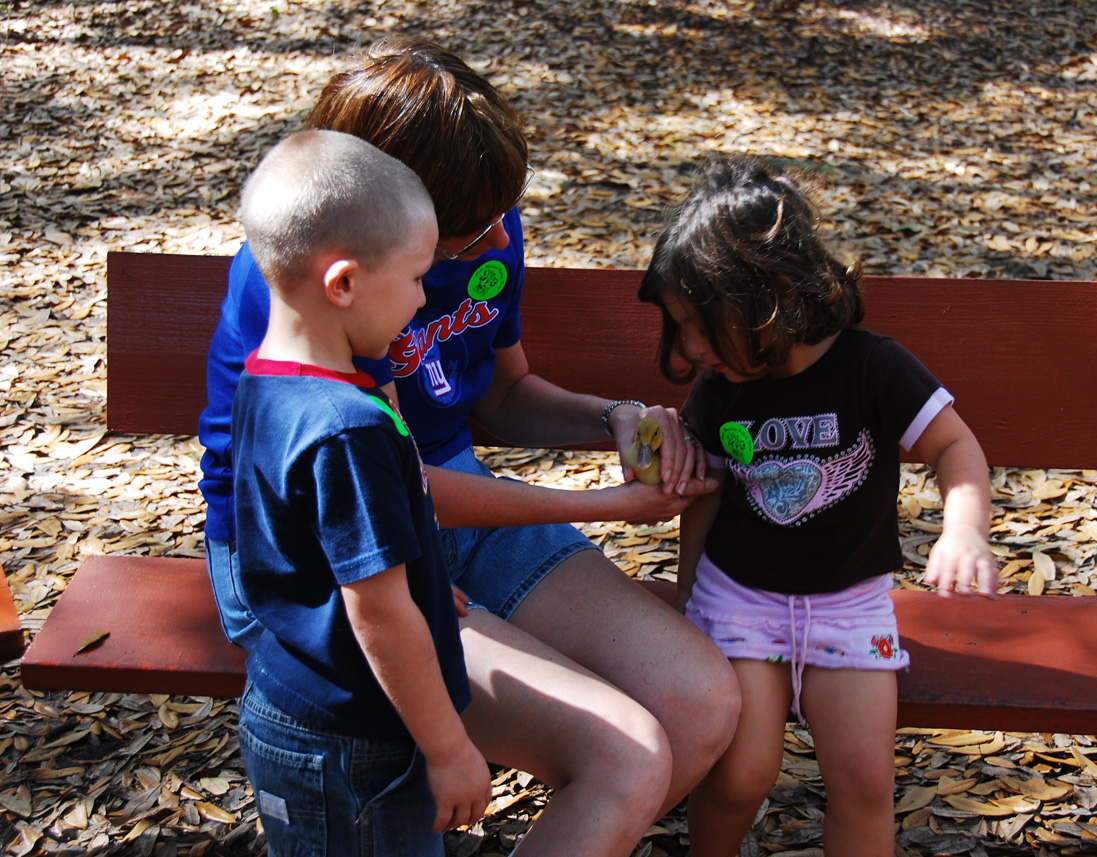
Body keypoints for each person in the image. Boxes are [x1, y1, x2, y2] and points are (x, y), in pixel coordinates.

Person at [197, 38, 740, 857]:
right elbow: (383, 492)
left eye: (499, 220)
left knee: (700, 704)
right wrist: (602, 506)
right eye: (466, 233)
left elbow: (502, 392)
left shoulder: (474, 232)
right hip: (331, 565)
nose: (494, 245)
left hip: (443, 502)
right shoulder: (304, 287)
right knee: (625, 755)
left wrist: (614, 415)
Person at [637, 157, 998, 857]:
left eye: (701, 325)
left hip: (850, 603)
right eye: (680, 326)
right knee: (742, 772)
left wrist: (963, 530)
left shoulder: (872, 366)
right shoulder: (724, 384)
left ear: (769, 296)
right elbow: (704, 499)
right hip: (739, 597)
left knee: (864, 778)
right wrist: (688, 593)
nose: (688, 347)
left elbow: (957, 447)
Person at [230, 129, 491, 855]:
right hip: (355, 743)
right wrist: (449, 749)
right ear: (342, 283)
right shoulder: (345, 428)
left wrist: (432, 584)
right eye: (414, 278)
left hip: (298, 708)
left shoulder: (268, 376)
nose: (422, 296)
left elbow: (318, 549)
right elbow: (376, 609)